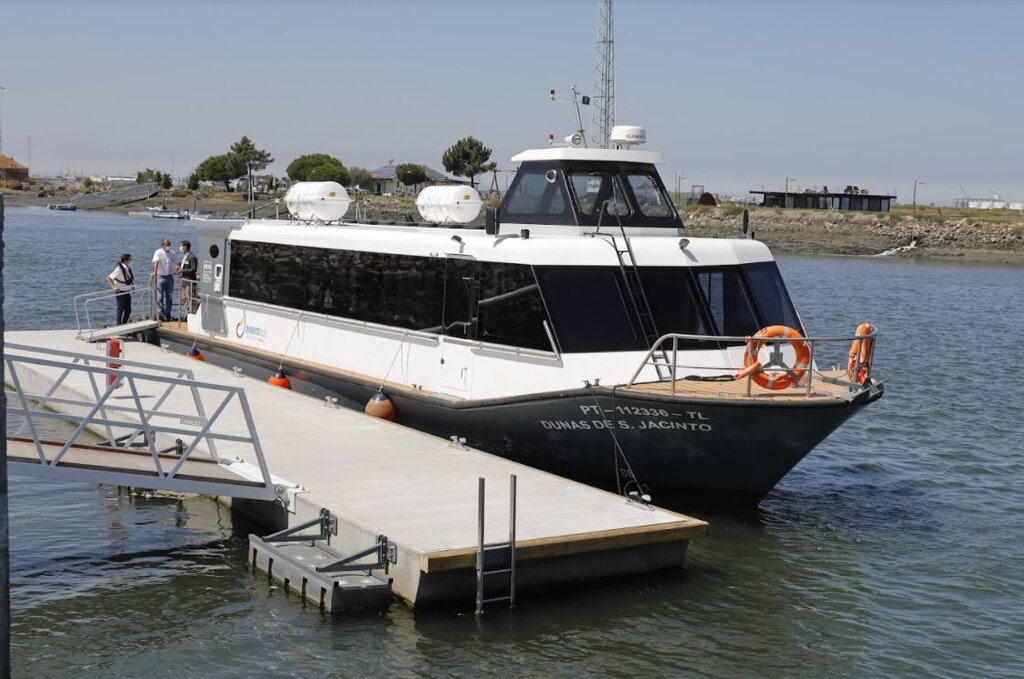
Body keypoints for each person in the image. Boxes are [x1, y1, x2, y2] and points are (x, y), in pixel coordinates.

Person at [152, 238, 179, 321]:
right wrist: (155, 272)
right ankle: (160, 314)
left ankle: (168, 314)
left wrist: (179, 269)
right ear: (163, 245)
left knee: (169, 297)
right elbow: (156, 262)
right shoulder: (158, 252)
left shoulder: (172, 253)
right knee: (160, 297)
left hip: (169, 277)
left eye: (169, 244)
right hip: (161, 277)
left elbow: (177, 262)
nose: (168, 246)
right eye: (167, 245)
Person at [106, 253, 135, 325]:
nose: (131, 261)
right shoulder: (119, 269)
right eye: (130, 259)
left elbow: (127, 279)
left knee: (128, 310)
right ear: (125, 260)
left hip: (127, 291)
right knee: (120, 310)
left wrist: (131, 286)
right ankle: (119, 326)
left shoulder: (127, 268)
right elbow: (108, 278)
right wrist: (113, 287)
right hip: (120, 292)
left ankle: (125, 324)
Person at [177, 239, 198, 315]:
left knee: (190, 298)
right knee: (183, 298)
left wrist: (182, 270)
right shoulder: (185, 257)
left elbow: (193, 269)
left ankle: (192, 313)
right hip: (184, 280)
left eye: (181, 245)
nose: (180, 247)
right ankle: (188, 313)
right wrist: (180, 267)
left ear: (185, 247)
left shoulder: (192, 257)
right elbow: (186, 267)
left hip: (189, 281)